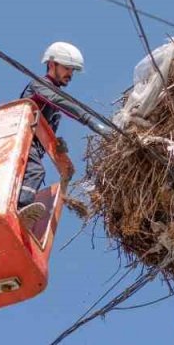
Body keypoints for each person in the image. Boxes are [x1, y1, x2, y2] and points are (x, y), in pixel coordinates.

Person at [17, 41, 112, 227]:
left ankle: (21, 211)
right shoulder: (40, 85)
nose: (70, 74)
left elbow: (48, 125)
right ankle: (20, 210)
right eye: (67, 68)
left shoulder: (54, 102)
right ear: (52, 64)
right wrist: (92, 122)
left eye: (72, 70)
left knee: (33, 172)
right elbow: (59, 101)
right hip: (20, 141)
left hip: (33, 146)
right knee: (35, 171)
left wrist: (55, 143)